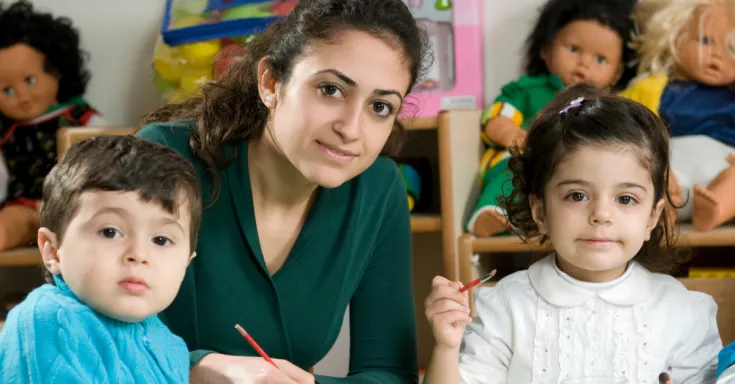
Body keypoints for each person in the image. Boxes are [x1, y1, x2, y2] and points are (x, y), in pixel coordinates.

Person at [135, 0, 430, 382]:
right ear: (271, 83)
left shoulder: (378, 188)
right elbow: (90, 336)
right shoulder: (166, 156)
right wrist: (196, 368)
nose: (352, 129)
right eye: (331, 89)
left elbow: (389, 373)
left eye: (380, 106)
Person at [423, 84, 722, 383]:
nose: (601, 215)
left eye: (626, 199)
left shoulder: (683, 313)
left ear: (651, 218)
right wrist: (446, 347)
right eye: (577, 195)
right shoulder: (505, 308)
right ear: (540, 212)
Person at [0, 135, 202, 383]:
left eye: (161, 240)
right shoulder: (51, 321)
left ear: (187, 261)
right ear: (53, 250)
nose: (138, 255)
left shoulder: (169, 344)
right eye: (110, 232)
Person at [467, 0, 638, 237]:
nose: (584, 63)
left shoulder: (612, 106)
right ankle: (492, 213)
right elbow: (496, 118)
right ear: (546, 50)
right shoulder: (527, 90)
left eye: (600, 60)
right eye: (574, 49)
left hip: (581, 174)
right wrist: (511, 134)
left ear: (617, 72)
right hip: (527, 159)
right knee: (511, 169)